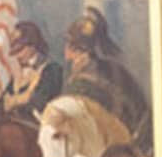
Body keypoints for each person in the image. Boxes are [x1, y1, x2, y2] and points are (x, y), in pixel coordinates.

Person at [62, 7, 150, 141]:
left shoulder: (81, 83)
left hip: (118, 142)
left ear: (77, 49)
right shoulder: (113, 67)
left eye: (69, 44)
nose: (66, 51)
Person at [0, 21, 64, 127]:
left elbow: (39, 103)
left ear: (33, 46)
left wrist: (13, 102)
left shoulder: (51, 69)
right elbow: (0, 106)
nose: (17, 56)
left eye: (20, 50)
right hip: (15, 125)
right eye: (15, 52)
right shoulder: (17, 72)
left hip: (39, 128)